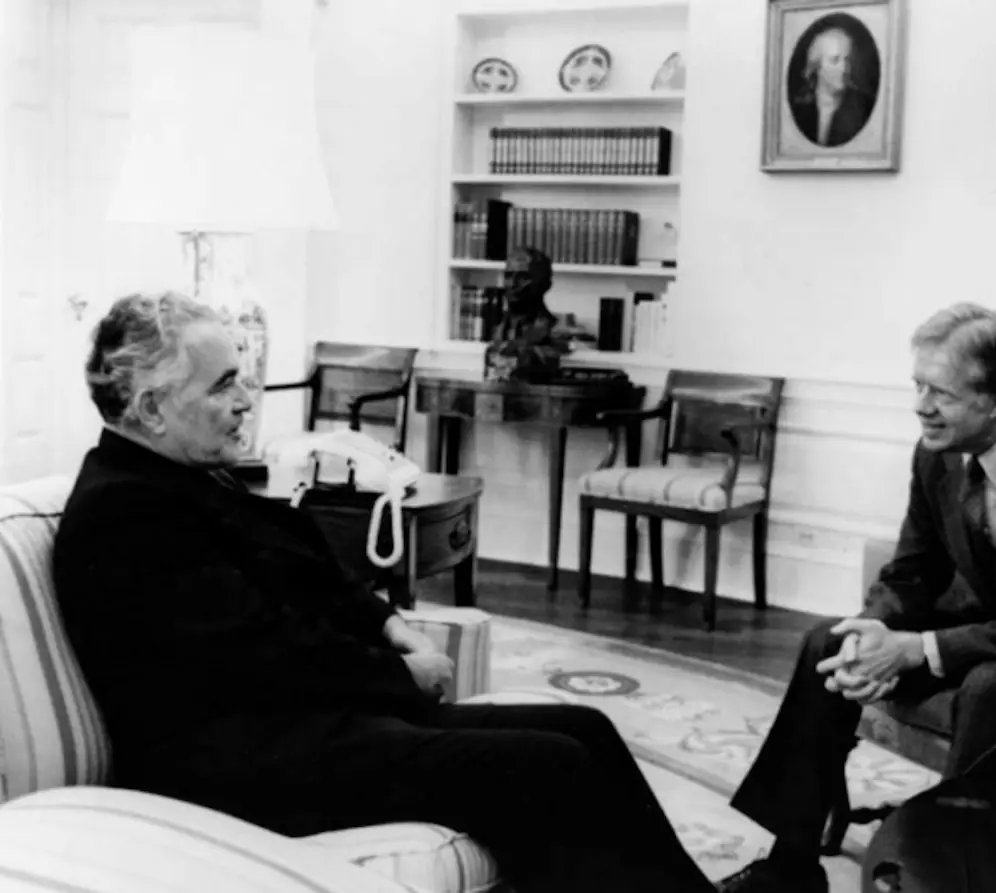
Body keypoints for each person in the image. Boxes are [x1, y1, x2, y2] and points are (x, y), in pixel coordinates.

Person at [53, 291, 717, 893]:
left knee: (583, 726)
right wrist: (401, 674)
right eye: (224, 384)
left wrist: (384, 620)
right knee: (545, 764)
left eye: (244, 377)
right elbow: (266, 650)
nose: (247, 398)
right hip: (236, 766)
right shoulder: (123, 514)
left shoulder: (185, 473)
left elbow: (302, 570)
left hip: (300, 725)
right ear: (150, 408)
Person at [718, 304, 996, 893]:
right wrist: (871, 633)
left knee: (991, 688)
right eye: (918, 386)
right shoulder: (935, 454)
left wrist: (916, 650)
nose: (920, 405)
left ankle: (945, 876)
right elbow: (912, 572)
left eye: (940, 393)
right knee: (829, 643)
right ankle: (789, 866)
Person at [484, 246, 569, 382]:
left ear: (545, 284)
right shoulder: (497, 329)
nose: (512, 284)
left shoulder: (555, 331)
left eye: (523, 277)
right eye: (508, 276)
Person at [788, 26, 873, 148]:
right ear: (817, 66)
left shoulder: (864, 107)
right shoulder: (799, 107)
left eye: (847, 60)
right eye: (835, 60)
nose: (844, 69)